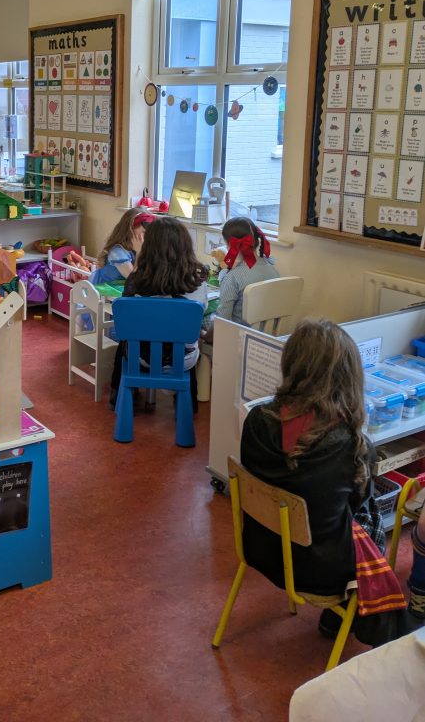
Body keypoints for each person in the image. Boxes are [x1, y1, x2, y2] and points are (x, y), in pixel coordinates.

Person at [241, 318, 423, 644]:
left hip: (261, 547)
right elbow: (357, 507)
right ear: (348, 377)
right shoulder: (351, 445)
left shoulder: (256, 420)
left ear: (290, 365)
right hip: (321, 571)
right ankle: (345, 613)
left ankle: (343, 614)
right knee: (369, 517)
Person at [109, 217, 209, 406]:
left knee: (126, 341)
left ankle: (118, 395)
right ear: (186, 245)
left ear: (149, 247)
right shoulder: (198, 279)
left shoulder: (138, 279)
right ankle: (188, 403)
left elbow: (126, 317)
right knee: (187, 338)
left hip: (142, 357)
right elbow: (199, 313)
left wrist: (139, 258)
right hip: (184, 359)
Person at [206, 216, 279, 336]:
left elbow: (222, 319)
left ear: (231, 246)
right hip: (266, 337)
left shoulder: (233, 277)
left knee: (204, 318)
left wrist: (206, 335)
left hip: (239, 337)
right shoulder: (271, 268)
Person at [90, 208, 154, 286]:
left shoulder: (139, 248)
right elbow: (133, 280)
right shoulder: (117, 252)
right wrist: (139, 252)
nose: (147, 236)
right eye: (144, 232)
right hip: (106, 291)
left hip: (124, 290)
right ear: (130, 229)